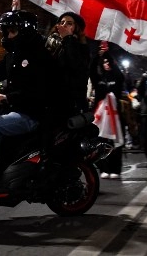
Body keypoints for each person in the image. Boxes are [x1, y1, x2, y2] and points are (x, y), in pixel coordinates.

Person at [0, 10, 56, 193]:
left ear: (25, 31)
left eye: (11, 31)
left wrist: (8, 97)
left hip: (31, 114)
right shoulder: (12, 57)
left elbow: (40, 91)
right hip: (12, 110)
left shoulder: (39, 55)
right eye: (6, 31)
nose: (7, 35)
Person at [89, 43, 125, 179]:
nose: (106, 64)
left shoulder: (116, 77)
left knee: (114, 143)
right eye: (104, 62)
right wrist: (97, 57)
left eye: (108, 62)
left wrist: (108, 55)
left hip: (114, 117)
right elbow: (91, 71)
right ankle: (104, 168)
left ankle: (115, 169)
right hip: (101, 117)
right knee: (100, 143)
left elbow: (120, 76)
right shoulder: (99, 79)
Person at [45, 12, 90, 117]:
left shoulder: (81, 48)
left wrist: (68, 39)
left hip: (67, 105)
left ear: (76, 28)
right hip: (47, 101)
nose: (64, 24)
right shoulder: (50, 43)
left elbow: (77, 68)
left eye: (69, 23)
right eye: (62, 22)